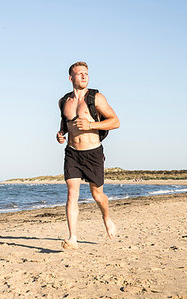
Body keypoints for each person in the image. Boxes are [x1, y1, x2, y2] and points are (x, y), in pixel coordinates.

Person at [56, 61, 120, 249]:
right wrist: (61, 134)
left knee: (97, 195)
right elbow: (65, 125)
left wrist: (91, 125)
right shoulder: (63, 102)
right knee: (71, 194)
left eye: (86, 73)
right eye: (79, 73)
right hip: (72, 154)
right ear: (71, 78)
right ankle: (72, 238)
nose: (84, 76)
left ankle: (106, 217)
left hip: (93, 154)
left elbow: (115, 121)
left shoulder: (96, 98)